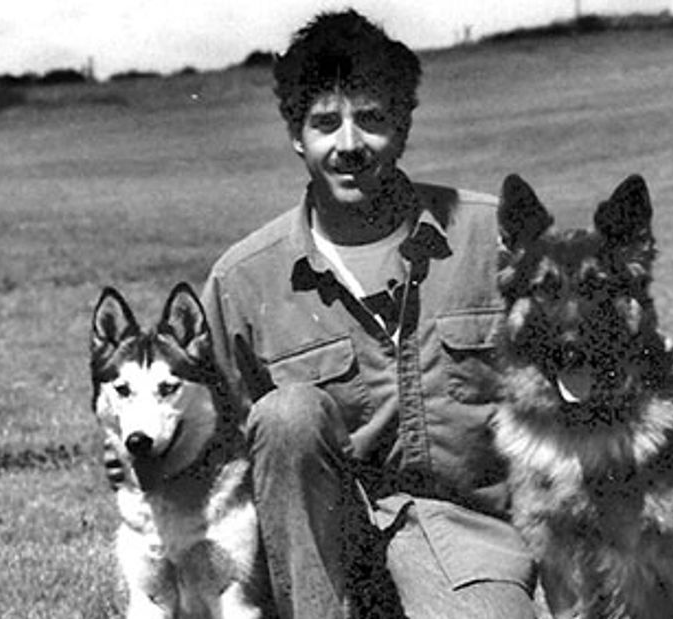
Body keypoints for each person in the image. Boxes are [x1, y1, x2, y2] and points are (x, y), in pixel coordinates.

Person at [196, 10, 538, 619]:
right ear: (296, 135)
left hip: (463, 536)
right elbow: (217, 454)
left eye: (372, 120)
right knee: (287, 414)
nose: (349, 145)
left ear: (403, 127)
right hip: (313, 555)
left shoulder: (491, 237)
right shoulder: (241, 281)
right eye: (326, 123)